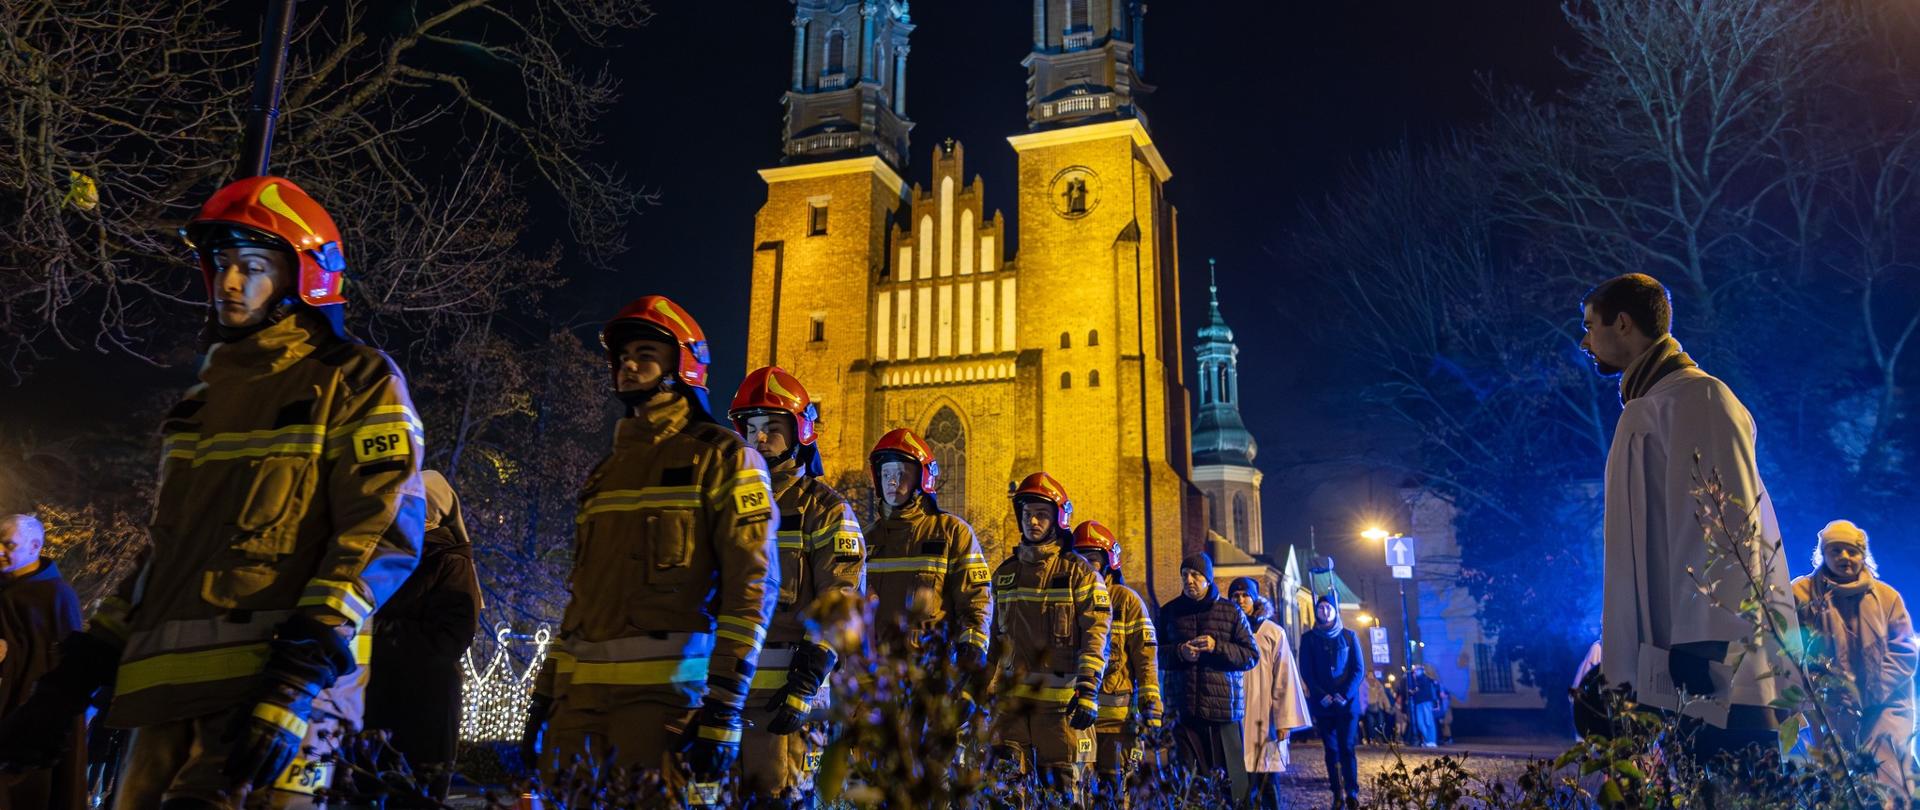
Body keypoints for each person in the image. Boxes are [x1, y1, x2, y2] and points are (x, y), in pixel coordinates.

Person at [0, 177, 427, 810]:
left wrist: (299, 677)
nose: (230, 282)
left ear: (303, 277)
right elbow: (167, 554)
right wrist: (75, 677)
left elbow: (381, 531)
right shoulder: (200, 405)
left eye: (253, 266)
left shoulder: (354, 379)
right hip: (167, 699)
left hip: (278, 701)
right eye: (222, 264)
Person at [525, 296, 777, 805]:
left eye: (645, 352)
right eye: (622, 356)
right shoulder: (605, 473)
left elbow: (751, 588)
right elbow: (579, 600)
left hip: (662, 710)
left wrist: (725, 705)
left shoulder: (725, 458)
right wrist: (546, 693)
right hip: (578, 712)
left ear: (682, 363)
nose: (629, 365)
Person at [1581, 273, 1798, 766]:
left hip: (1712, 669)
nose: (1585, 340)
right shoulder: (1654, 403)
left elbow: (1726, 526)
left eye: (1590, 325)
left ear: (1623, 322)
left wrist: (1702, 644)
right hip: (1671, 663)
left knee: (1729, 784)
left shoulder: (1698, 397)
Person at [727, 366, 866, 805]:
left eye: (772, 428)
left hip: (790, 702)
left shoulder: (824, 509)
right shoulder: (724, 503)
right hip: (727, 697)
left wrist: (805, 685)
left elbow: (840, 599)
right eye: (752, 429)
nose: (760, 439)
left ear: (800, 433)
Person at [986, 474, 1110, 798]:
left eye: (1042, 513)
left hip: (1061, 715)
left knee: (1062, 798)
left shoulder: (1078, 573)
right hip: (1012, 712)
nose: (1034, 521)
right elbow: (991, 644)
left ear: (1058, 519)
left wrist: (1088, 690)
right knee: (1009, 796)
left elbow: (1095, 633)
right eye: (1028, 514)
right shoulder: (1005, 574)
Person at [363, 470, 482, 806]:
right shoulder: (389, 555)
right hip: (382, 693)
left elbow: (451, 636)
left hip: (426, 701)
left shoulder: (450, 561)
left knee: (416, 792)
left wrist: (384, 633)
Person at [1790, 520, 1917, 794]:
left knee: (1887, 770)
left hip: (1885, 702)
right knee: (1835, 776)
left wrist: (1873, 690)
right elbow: (1790, 645)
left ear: (1863, 554)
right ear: (1823, 554)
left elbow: (1904, 651)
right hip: (1830, 702)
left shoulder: (1887, 597)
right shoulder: (1802, 593)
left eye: (1851, 551)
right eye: (1835, 551)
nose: (1844, 557)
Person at [861, 428, 991, 677]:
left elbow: (976, 601)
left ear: (922, 478)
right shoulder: (867, 539)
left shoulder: (952, 533)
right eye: (886, 473)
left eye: (901, 474)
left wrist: (972, 654)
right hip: (873, 680)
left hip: (931, 679)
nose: (892, 482)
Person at [1070, 519, 1162, 806]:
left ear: (1110, 563)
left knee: (1118, 792)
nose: (1087, 567)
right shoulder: (1067, 598)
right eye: (1081, 560)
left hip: (1119, 722)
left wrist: (1151, 712)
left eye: (1093, 561)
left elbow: (1146, 662)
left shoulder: (1127, 602)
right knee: (1079, 792)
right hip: (1076, 719)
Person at [1156, 553, 1258, 803]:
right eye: (1184, 575)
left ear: (1208, 579)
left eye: (1195, 575)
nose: (1189, 580)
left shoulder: (1231, 611)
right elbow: (1155, 654)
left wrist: (1217, 647)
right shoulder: (1170, 612)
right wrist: (1180, 652)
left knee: (1230, 789)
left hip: (1222, 714)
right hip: (1183, 711)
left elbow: (1250, 655)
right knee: (1188, 787)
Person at [0, 515, 84, 810]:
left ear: (35, 546)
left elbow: (62, 670)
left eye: (8, 544)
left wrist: (9, 656)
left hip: (26, 716)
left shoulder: (57, 597)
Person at [1228, 577, 1312, 810]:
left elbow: (1285, 679)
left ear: (1254, 599)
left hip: (1265, 716)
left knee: (1267, 781)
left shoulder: (1273, 632)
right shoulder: (1227, 633)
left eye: (1245, 595)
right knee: (1239, 783)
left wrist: (1284, 720)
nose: (1240, 600)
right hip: (1236, 714)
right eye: (1235, 596)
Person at [1299, 594, 1362, 809]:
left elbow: (1358, 670)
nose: (1324, 612)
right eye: (1321, 608)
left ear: (1335, 611)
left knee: (1347, 747)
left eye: (1328, 608)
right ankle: (1337, 792)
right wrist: (1320, 694)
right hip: (1324, 705)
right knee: (1331, 750)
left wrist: (1344, 694)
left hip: (1347, 704)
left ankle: (1352, 791)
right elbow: (1306, 670)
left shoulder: (1349, 636)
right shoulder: (1309, 639)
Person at [1406, 667, 1438, 747]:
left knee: (1428, 721)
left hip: (1425, 702)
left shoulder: (1424, 678)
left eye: (1416, 670)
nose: (1415, 672)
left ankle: (1431, 740)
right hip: (1419, 702)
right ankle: (1427, 740)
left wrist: (1413, 692)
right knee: (1421, 723)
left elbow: (1420, 688)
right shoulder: (1418, 680)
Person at [1362, 671, 1392, 745]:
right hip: (1369, 707)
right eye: (1369, 675)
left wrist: (1387, 706)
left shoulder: (1378, 685)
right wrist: (1362, 708)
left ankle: (1380, 738)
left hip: (1378, 706)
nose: (1371, 677)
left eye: (1372, 675)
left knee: (1380, 723)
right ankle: (1372, 738)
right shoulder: (1364, 685)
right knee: (1370, 724)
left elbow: (1383, 696)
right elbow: (1362, 697)